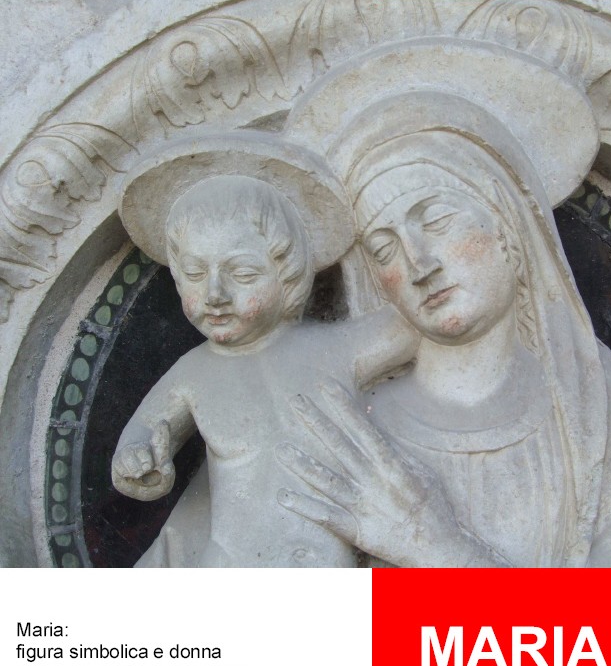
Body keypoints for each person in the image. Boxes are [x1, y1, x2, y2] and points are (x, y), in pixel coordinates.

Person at [275, 90, 611, 567]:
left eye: (437, 220)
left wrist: (438, 550)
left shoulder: (594, 402)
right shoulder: (352, 424)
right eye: (385, 249)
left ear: (506, 226)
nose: (420, 264)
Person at [113, 168, 416, 567]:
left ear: (288, 275)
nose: (215, 294)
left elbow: (416, 325)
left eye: (242, 274)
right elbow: (144, 433)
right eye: (195, 274)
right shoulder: (193, 373)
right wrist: (137, 461)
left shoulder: (332, 349)